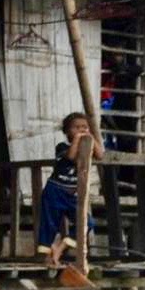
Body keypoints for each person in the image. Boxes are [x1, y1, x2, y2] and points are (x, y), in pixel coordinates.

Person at [38, 112, 101, 268]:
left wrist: (92, 137)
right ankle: (47, 257)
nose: (81, 130)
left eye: (84, 127)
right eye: (76, 128)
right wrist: (79, 139)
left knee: (88, 222)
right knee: (50, 225)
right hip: (54, 192)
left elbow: (100, 155)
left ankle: (61, 247)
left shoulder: (88, 148)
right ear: (67, 132)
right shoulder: (62, 147)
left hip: (72, 196)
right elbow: (71, 157)